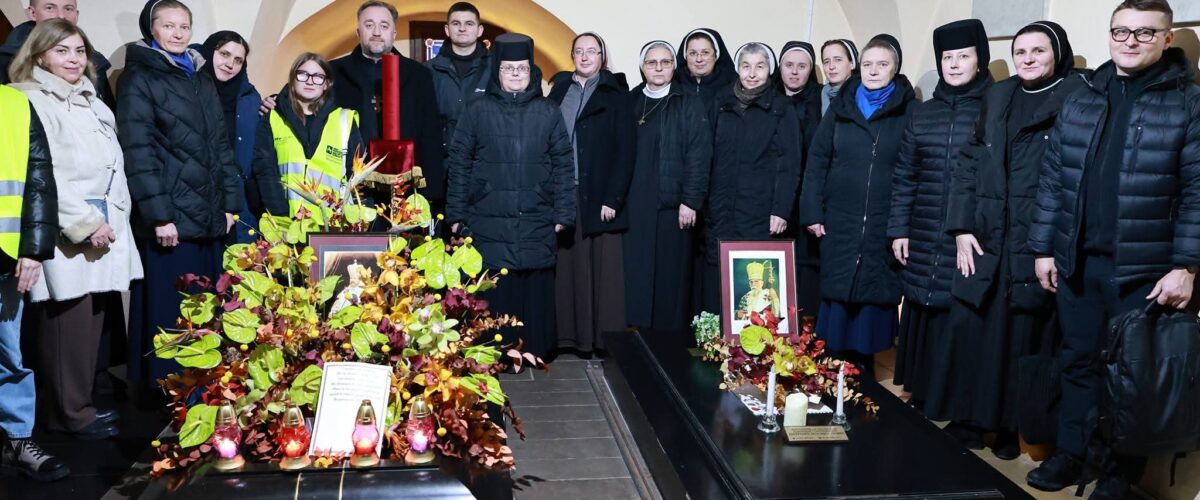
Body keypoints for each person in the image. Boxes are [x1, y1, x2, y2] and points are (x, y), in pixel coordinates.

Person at [1027, 1, 1200, 498]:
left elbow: (1197, 191)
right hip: (1079, 262)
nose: (1130, 41)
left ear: (1167, 39)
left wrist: (1186, 266)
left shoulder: (1187, 102)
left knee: (1131, 378)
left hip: (1145, 271)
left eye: (1145, 33)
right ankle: (1072, 454)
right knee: (1077, 362)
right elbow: (1054, 178)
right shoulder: (1084, 94)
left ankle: (1119, 473)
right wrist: (1044, 248)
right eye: (1121, 31)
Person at [943, 20, 1081, 461]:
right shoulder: (998, 95)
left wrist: (1052, 244)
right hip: (985, 230)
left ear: (1057, 53)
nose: (1027, 58)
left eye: (1038, 51)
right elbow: (968, 162)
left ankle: (1007, 427)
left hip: (1034, 234)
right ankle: (969, 419)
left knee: (1021, 335)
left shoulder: (1076, 97)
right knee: (975, 328)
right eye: (1020, 51)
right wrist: (960, 226)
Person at [9, 19, 141, 441]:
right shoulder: (29, 99)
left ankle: (78, 406)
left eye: (79, 51)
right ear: (39, 55)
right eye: (62, 50)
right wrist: (83, 223)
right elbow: (42, 174)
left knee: (89, 323)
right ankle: (69, 414)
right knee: (67, 323)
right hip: (70, 228)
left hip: (103, 226)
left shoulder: (92, 101)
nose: (73, 59)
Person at [118, 0, 242, 384]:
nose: (177, 33)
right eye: (168, 25)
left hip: (208, 216)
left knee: (206, 308)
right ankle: (165, 390)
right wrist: (160, 216)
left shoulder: (199, 75)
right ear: (151, 29)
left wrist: (229, 205)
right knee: (169, 310)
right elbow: (138, 151)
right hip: (171, 220)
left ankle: (202, 388)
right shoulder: (139, 78)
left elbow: (220, 146)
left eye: (184, 26)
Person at [888, 18, 993, 431]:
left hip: (969, 233)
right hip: (923, 228)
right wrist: (899, 228)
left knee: (958, 316)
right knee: (923, 309)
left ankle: (954, 401)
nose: (954, 64)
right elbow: (905, 175)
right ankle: (923, 392)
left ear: (980, 60)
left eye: (963, 56)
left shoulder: (993, 108)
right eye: (947, 57)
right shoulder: (923, 113)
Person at [445, 33, 574, 358]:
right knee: (496, 284)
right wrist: (456, 214)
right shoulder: (476, 110)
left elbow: (563, 162)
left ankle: (535, 350)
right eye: (508, 68)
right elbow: (459, 163)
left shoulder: (548, 111)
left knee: (535, 284)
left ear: (532, 71)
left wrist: (564, 212)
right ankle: (496, 353)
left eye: (522, 68)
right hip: (487, 214)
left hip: (537, 212)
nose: (516, 74)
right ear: (496, 72)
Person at [798, 35, 917, 374]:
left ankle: (863, 379)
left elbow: (913, 170)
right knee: (836, 308)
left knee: (870, 309)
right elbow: (817, 161)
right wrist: (812, 210)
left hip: (883, 223)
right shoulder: (842, 107)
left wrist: (902, 225)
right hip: (839, 220)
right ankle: (829, 376)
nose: (873, 71)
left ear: (895, 69)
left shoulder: (909, 111)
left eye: (882, 64)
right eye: (867, 64)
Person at [547, 32, 634, 356]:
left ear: (602, 57)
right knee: (568, 266)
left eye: (592, 51)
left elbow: (626, 151)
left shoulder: (616, 94)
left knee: (601, 271)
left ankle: (601, 340)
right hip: (564, 191)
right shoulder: (559, 92)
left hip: (600, 195)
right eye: (579, 51)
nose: (585, 57)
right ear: (572, 56)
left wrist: (614, 198)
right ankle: (569, 337)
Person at [703, 42, 801, 317]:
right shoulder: (720, 102)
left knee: (753, 281)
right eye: (746, 66)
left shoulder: (781, 108)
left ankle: (753, 341)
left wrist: (781, 210)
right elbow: (706, 153)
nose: (752, 73)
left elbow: (790, 164)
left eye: (760, 66)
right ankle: (717, 338)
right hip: (721, 207)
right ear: (737, 68)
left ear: (769, 70)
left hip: (760, 210)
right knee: (718, 277)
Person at [0, 83, 67, 481]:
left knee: (9, 354)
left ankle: (16, 441)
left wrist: (34, 249)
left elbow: (39, 178)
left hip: (4, 252)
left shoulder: (14, 103)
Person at [623, 40, 711, 334]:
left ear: (674, 66)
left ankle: (667, 339)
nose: (658, 68)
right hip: (636, 204)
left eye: (665, 62)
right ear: (642, 67)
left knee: (669, 276)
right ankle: (639, 335)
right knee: (638, 273)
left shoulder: (688, 102)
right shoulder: (631, 100)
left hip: (673, 205)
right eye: (652, 62)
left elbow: (699, 154)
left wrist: (691, 200)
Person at [328, 1, 443, 207]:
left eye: (384, 25)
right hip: (350, 183)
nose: (376, 32)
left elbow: (430, 134)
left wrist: (431, 194)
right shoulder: (334, 72)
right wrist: (275, 99)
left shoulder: (419, 75)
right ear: (358, 32)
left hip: (404, 186)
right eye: (369, 25)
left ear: (394, 33)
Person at [253, 53, 364, 220]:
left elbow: (357, 177)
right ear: (293, 79)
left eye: (318, 76)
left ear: (326, 84)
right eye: (303, 74)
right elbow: (266, 172)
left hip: (332, 224)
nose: (310, 81)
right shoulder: (273, 118)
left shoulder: (344, 121)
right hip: (286, 222)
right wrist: (281, 217)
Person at [195, 31, 263, 243]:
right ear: (208, 53)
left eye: (238, 60)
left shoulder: (250, 97)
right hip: (200, 197)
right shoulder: (190, 91)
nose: (230, 64)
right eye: (224, 54)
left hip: (240, 203)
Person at [774, 41, 823, 319]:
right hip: (776, 201)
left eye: (802, 66)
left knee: (804, 271)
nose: (794, 72)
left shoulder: (820, 102)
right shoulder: (769, 99)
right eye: (789, 65)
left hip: (807, 199)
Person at [0, 0, 113, 107]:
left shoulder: (93, 60)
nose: (61, 16)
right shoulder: (7, 62)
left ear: (76, 14)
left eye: (68, 9)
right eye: (50, 8)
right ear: (32, 13)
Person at [427, 2, 490, 147]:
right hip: (442, 154)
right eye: (456, 23)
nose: (462, 29)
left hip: (483, 154)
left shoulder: (495, 69)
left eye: (469, 23)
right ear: (447, 30)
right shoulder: (429, 70)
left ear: (480, 30)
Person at [675, 28, 735, 113]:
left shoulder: (733, 87)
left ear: (716, 55)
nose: (699, 59)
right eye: (693, 53)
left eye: (705, 52)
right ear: (685, 56)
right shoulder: (673, 86)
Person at [819, 39, 858, 115]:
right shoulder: (823, 92)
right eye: (826, 62)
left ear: (852, 64)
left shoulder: (862, 94)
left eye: (838, 60)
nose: (831, 66)